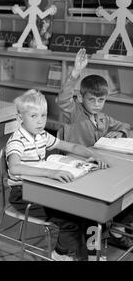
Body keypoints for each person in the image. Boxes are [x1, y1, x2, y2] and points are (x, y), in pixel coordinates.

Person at [6, 89, 108, 260]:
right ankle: (61, 253)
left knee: (90, 212)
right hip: (22, 194)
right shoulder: (17, 141)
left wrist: (95, 156)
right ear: (19, 118)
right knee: (70, 221)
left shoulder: (42, 135)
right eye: (34, 116)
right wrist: (51, 172)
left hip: (43, 189)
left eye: (44, 115)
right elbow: (15, 167)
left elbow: (72, 147)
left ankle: (92, 254)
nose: (40, 121)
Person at [58, 48, 133, 250]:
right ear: (81, 98)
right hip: (77, 170)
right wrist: (75, 72)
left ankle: (116, 230)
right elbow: (63, 99)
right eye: (92, 99)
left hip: (97, 168)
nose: (97, 104)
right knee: (97, 208)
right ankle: (93, 248)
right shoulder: (74, 113)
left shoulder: (103, 118)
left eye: (101, 100)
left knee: (127, 194)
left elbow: (126, 126)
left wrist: (122, 134)